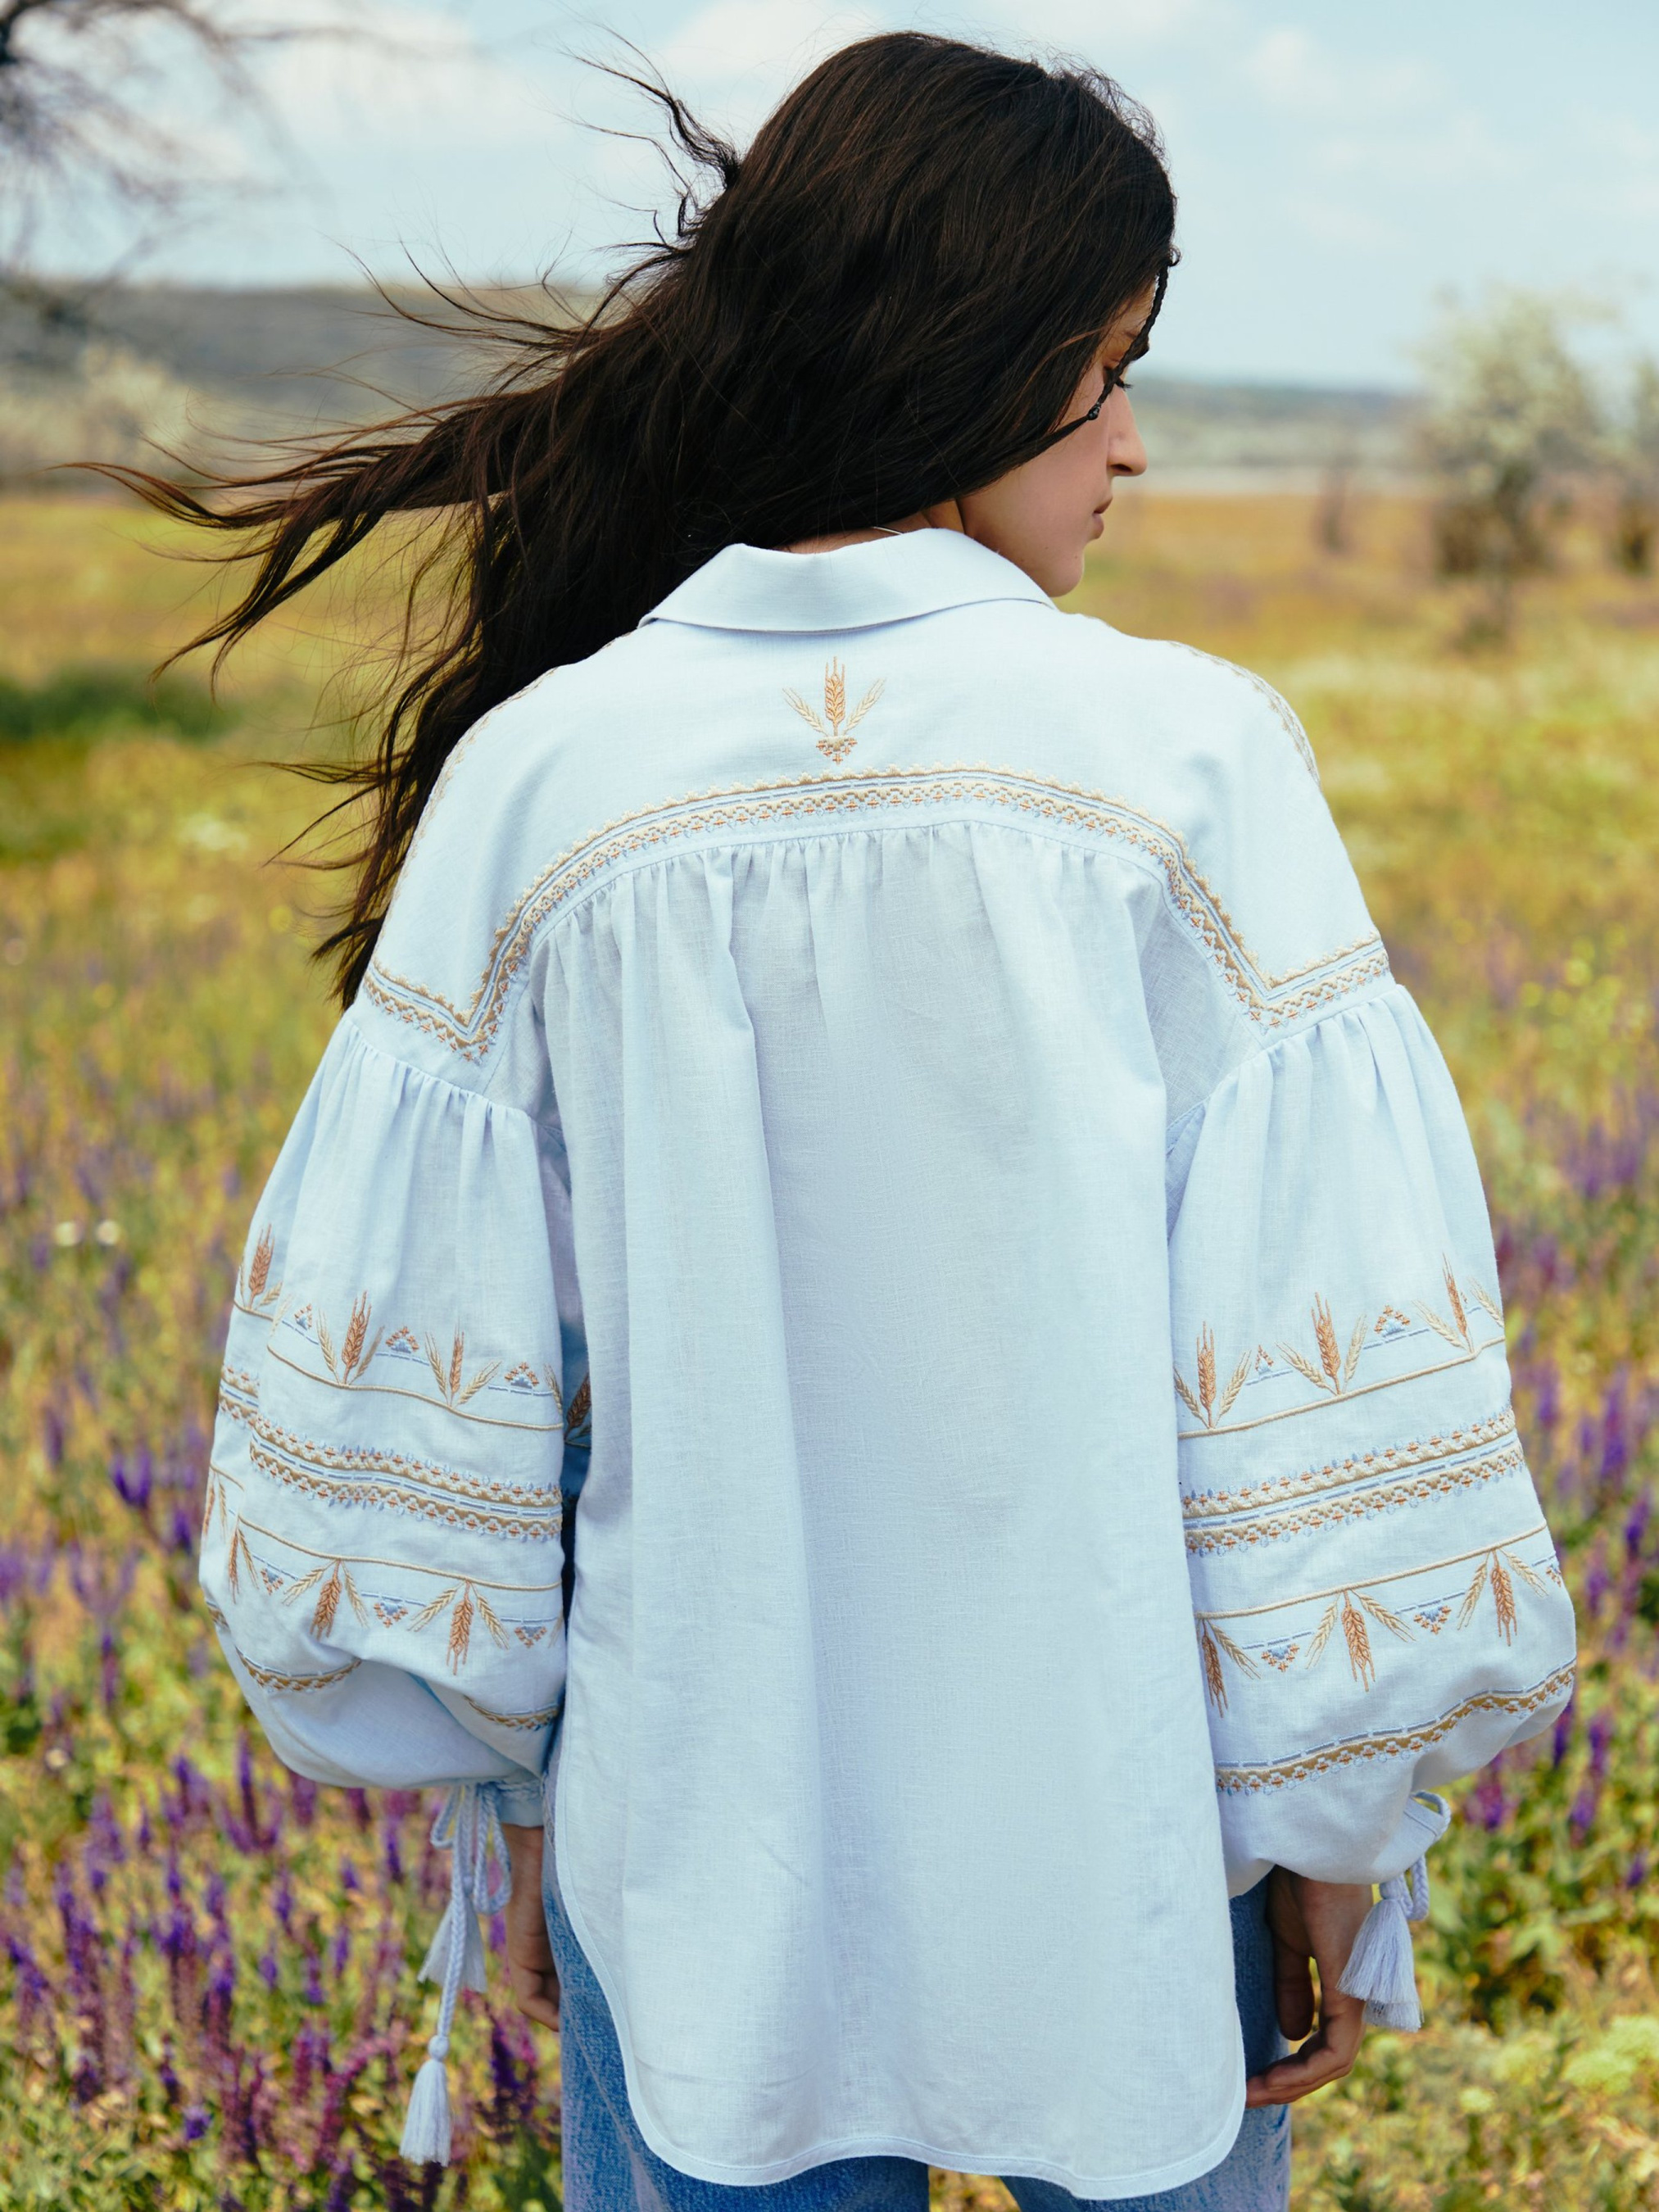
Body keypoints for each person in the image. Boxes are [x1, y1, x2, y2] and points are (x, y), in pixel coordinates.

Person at [149, 33, 1576, 2212]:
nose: (1130, 443)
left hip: (696, 1854)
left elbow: (455, 1391)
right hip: (1130, 1836)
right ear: (974, 360)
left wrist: (515, 1802)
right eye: (1107, 373)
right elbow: (1315, 1361)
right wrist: (1332, 1831)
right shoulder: (1190, 762)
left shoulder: (550, 777)